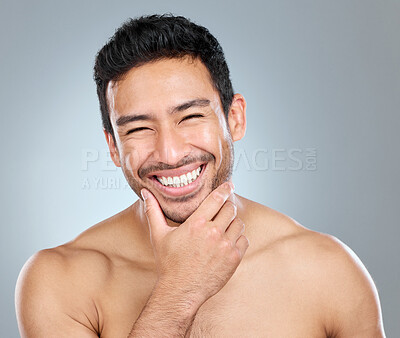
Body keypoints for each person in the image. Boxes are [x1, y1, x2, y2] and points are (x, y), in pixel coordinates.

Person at [15, 14, 385, 337]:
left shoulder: (328, 270)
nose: (170, 154)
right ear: (113, 148)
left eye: (191, 117)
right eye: (139, 129)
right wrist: (180, 289)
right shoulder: (58, 281)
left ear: (234, 118)